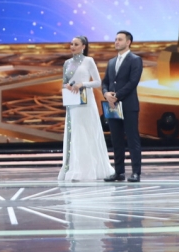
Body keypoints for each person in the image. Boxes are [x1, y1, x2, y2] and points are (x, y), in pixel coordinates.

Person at [58, 36, 113, 182]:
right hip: (73, 103)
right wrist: (68, 86)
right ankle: (75, 168)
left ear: (83, 46)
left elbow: (97, 82)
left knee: (87, 132)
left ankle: (90, 169)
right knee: (76, 133)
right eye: (71, 44)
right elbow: (64, 83)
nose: (72, 46)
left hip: (86, 102)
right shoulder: (67, 63)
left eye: (76, 44)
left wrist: (83, 84)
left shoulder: (88, 61)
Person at [102, 30, 143, 182]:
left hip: (128, 105)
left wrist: (116, 96)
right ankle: (119, 172)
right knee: (116, 140)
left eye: (120, 39)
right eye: (115, 39)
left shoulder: (135, 60)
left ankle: (136, 172)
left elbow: (133, 82)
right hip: (113, 106)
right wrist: (106, 93)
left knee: (132, 139)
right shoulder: (111, 62)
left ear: (128, 42)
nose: (116, 42)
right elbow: (105, 82)